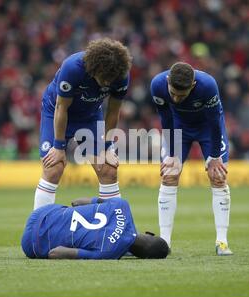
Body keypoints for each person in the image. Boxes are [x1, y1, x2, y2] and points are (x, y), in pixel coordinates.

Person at [34, 38, 132, 210]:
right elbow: (61, 107)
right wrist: (58, 147)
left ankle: (114, 230)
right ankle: (38, 230)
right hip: (56, 112)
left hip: (89, 117)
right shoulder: (72, 68)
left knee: (108, 169)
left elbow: (113, 112)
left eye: (112, 79)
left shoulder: (120, 74)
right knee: (53, 168)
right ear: (94, 68)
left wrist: (107, 146)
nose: (108, 82)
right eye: (104, 78)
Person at [150, 62, 232, 256]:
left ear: (193, 86)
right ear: (168, 81)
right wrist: (171, 155)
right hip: (178, 129)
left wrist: (213, 157)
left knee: (218, 177)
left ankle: (222, 242)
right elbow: (166, 119)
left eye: (182, 95)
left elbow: (214, 122)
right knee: (169, 174)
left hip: (207, 129)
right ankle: (165, 243)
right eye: (173, 94)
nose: (176, 99)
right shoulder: (157, 85)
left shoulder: (208, 85)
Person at [21, 197, 169, 260]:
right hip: (31, 244)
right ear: (140, 256)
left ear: (150, 233)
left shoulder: (122, 205)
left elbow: (77, 202)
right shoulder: (108, 253)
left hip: (41, 213)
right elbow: (55, 253)